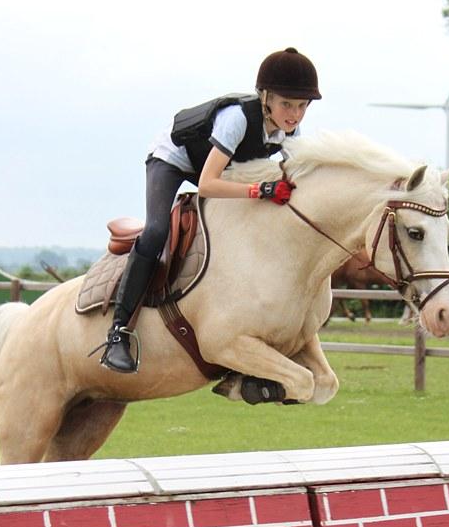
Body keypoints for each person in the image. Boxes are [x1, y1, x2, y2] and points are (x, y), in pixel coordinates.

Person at [99, 46, 322, 372]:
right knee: (158, 230)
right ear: (265, 97)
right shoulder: (237, 119)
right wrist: (261, 190)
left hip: (220, 171)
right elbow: (207, 185)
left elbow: (295, 179)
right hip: (174, 162)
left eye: (302, 106)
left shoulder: (290, 131)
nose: (295, 114)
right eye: (287, 103)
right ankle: (118, 333)